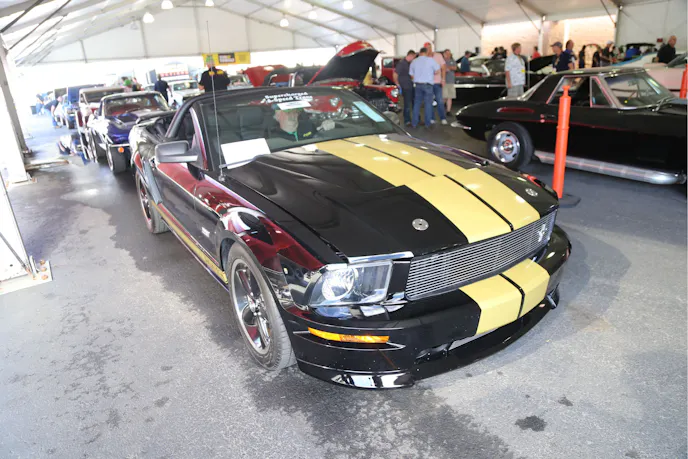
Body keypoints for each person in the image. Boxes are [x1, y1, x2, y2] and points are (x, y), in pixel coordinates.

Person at [409, 47, 440, 129]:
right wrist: (431, 73)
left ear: (420, 53)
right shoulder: (431, 60)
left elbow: (411, 74)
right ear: (426, 53)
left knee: (417, 104)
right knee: (428, 104)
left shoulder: (414, 61)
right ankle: (427, 124)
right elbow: (437, 71)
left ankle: (414, 123)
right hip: (428, 85)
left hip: (418, 85)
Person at [425, 42, 447, 125]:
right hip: (428, 83)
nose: (428, 50)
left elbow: (443, 68)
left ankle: (443, 118)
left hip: (437, 82)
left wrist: (443, 79)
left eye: (429, 48)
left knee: (440, 101)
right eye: (427, 48)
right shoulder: (423, 58)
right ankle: (432, 118)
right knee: (429, 101)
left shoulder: (438, 56)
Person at [393, 50, 416, 126]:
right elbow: (395, 74)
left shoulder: (409, 64)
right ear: (410, 56)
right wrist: (397, 84)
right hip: (405, 87)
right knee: (407, 104)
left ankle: (416, 119)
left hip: (411, 86)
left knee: (414, 103)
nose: (414, 59)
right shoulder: (402, 63)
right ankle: (407, 120)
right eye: (414, 57)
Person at [443, 49, 457, 114]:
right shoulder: (442, 61)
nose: (448, 55)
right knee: (444, 97)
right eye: (447, 54)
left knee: (450, 97)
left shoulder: (452, 61)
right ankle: (441, 108)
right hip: (444, 82)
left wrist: (449, 68)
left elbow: (455, 68)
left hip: (451, 81)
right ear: (444, 54)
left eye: (449, 53)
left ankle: (448, 111)